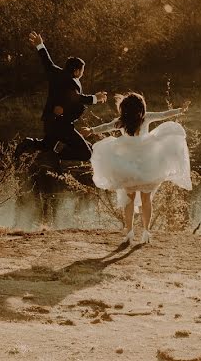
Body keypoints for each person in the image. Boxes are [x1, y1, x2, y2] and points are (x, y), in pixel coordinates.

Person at [81, 93, 191, 245]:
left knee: (129, 200)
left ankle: (129, 232)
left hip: (127, 167)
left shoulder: (120, 122)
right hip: (148, 166)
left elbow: (104, 128)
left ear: (124, 109)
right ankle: (146, 232)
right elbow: (164, 114)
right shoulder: (146, 117)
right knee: (146, 199)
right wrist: (181, 110)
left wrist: (91, 130)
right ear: (141, 107)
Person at [15, 31, 107, 163]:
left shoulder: (55, 72)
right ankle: (58, 157)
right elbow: (77, 98)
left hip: (50, 122)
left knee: (45, 146)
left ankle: (28, 143)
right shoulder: (71, 82)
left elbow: (46, 61)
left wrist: (40, 45)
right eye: (82, 71)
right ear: (76, 71)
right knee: (86, 153)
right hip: (62, 125)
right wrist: (95, 98)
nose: (82, 73)